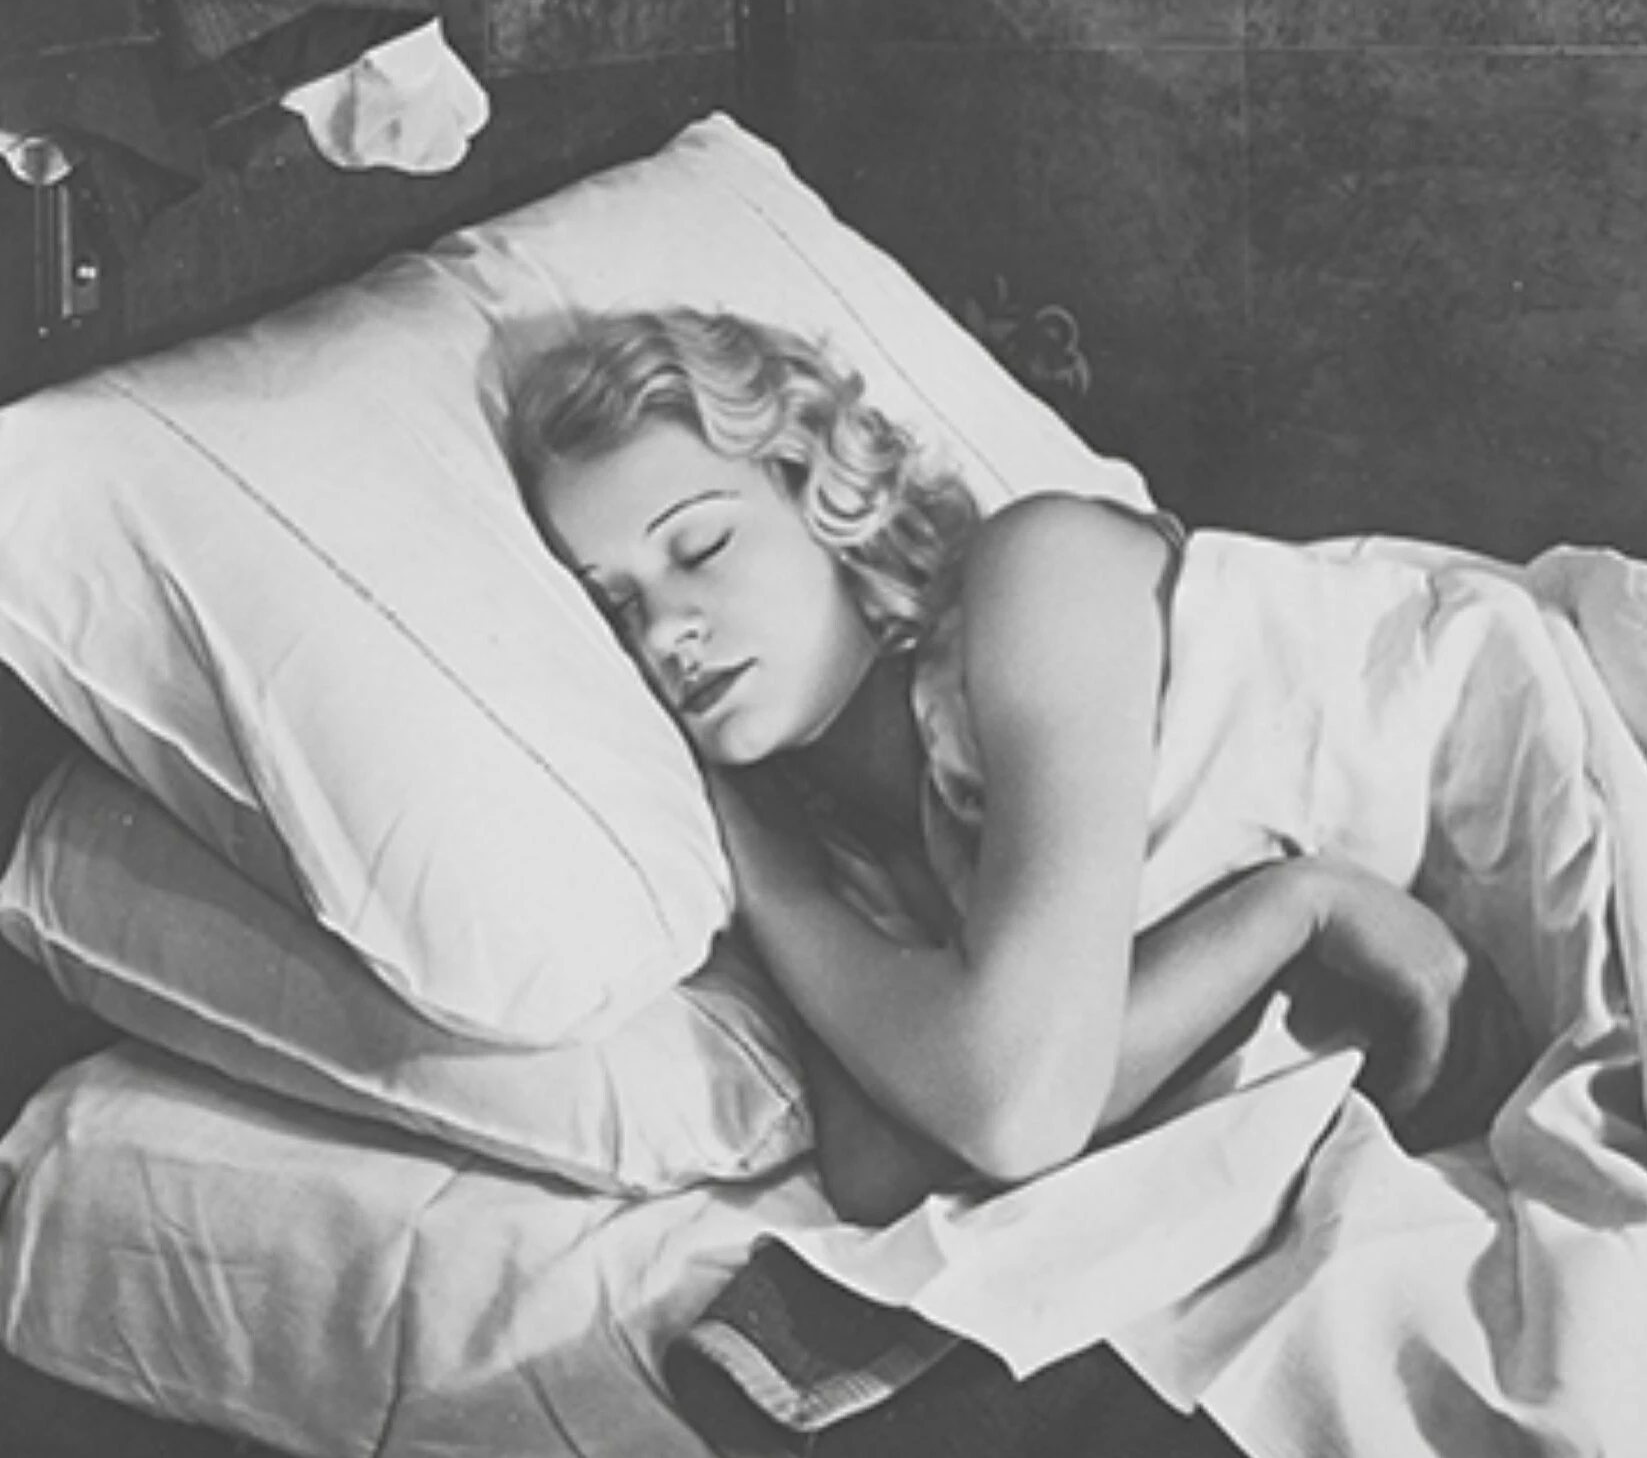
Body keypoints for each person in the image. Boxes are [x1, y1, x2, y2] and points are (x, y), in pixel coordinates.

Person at [509, 310, 1526, 1223]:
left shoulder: (1038, 571)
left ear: (819, 492)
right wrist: (1296, 907)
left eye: (699, 546)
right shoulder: (842, 832)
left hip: (1526, 773)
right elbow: (891, 1164)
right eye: (616, 607)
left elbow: (1010, 1107)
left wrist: (783, 893)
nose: (666, 633)